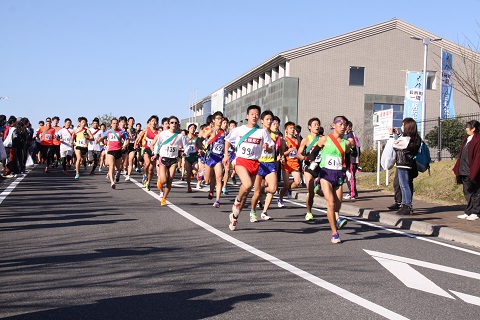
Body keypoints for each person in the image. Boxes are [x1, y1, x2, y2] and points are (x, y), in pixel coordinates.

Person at [223, 105, 273, 231]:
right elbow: (227, 140)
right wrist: (226, 156)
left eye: (257, 114)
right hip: (240, 160)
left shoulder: (262, 132)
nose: (255, 116)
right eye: (252, 114)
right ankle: (237, 200)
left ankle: (234, 217)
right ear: (247, 116)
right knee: (247, 184)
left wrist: (267, 148)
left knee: (246, 193)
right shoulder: (239, 130)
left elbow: (271, 147)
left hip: (255, 163)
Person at [389, 117, 421, 215]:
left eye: (403, 125)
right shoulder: (415, 138)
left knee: (404, 185)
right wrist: (399, 134)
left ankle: (406, 205)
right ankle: (406, 204)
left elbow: (395, 145)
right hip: (409, 164)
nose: (402, 127)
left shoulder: (406, 139)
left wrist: (391, 135)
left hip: (403, 165)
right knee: (407, 185)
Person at [249, 110, 277, 222]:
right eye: (267, 119)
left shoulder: (274, 135)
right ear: (262, 121)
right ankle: (252, 211)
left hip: (270, 163)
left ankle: (264, 212)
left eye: (271, 119)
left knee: (273, 189)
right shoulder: (257, 132)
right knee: (256, 193)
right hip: (259, 163)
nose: (269, 121)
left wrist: (268, 148)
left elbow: (271, 149)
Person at [153, 116, 187, 206]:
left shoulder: (180, 136)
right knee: (163, 180)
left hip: (173, 160)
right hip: (163, 158)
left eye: (176, 123)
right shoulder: (163, 134)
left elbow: (186, 146)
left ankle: (164, 198)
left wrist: (184, 153)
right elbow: (158, 144)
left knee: (170, 180)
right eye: (172, 122)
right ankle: (160, 183)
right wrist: (155, 154)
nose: (174, 124)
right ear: (168, 124)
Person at [453, 120, 480, 221]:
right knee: (467, 191)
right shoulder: (467, 139)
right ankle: (469, 211)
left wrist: (474, 170)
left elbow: (477, 157)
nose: (466, 129)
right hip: (464, 169)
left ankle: (476, 212)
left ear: (474, 129)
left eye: (468, 127)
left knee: (475, 192)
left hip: (472, 170)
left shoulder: (477, 139)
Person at [297, 117, 322, 221]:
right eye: (315, 124)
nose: (317, 126)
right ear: (309, 127)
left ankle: (318, 187)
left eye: (318, 124)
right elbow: (298, 154)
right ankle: (309, 212)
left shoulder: (323, 139)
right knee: (310, 191)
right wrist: (305, 158)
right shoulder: (306, 140)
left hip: (320, 167)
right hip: (308, 167)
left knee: (323, 192)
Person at [204, 111, 226, 208]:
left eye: (221, 118)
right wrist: (202, 146)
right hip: (210, 157)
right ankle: (210, 189)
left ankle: (217, 200)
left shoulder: (224, 132)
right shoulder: (211, 130)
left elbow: (225, 145)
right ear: (213, 120)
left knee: (218, 178)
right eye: (218, 118)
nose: (220, 120)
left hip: (218, 158)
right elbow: (201, 138)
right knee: (208, 180)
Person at [99, 118, 129, 188]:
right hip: (110, 151)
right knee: (111, 165)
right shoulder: (108, 132)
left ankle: (118, 173)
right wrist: (98, 140)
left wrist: (124, 146)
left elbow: (127, 139)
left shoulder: (121, 132)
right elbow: (102, 137)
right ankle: (112, 182)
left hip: (118, 151)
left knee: (118, 168)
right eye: (114, 123)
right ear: (111, 124)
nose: (115, 125)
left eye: (116, 123)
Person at [278, 121, 301, 207]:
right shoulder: (284, 140)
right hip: (286, 163)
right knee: (286, 184)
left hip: (295, 163)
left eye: (293, 128)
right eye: (290, 128)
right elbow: (281, 153)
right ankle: (280, 198)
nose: (292, 130)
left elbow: (299, 150)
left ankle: (290, 189)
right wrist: (289, 151)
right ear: (286, 130)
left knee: (297, 181)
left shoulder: (297, 139)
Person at [344, 121, 361, 200]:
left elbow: (355, 147)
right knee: (349, 176)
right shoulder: (349, 135)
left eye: (345, 126)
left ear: (349, 127)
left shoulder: (350, 135)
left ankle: (352, 193)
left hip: (351, 159)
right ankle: (353, 192)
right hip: (350, 158)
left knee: (350, 176)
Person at [183, 123, 199, 193]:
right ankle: (189, 186)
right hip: (187, 157)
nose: (193, 129)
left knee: (195, 170)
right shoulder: (185, 138)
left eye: (194, 128)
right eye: (191, 128)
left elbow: (199, 146)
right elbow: (180, 145)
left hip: (195, 157)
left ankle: (193, 173)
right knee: (188, 172)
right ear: (188, 129)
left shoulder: (197, 138)